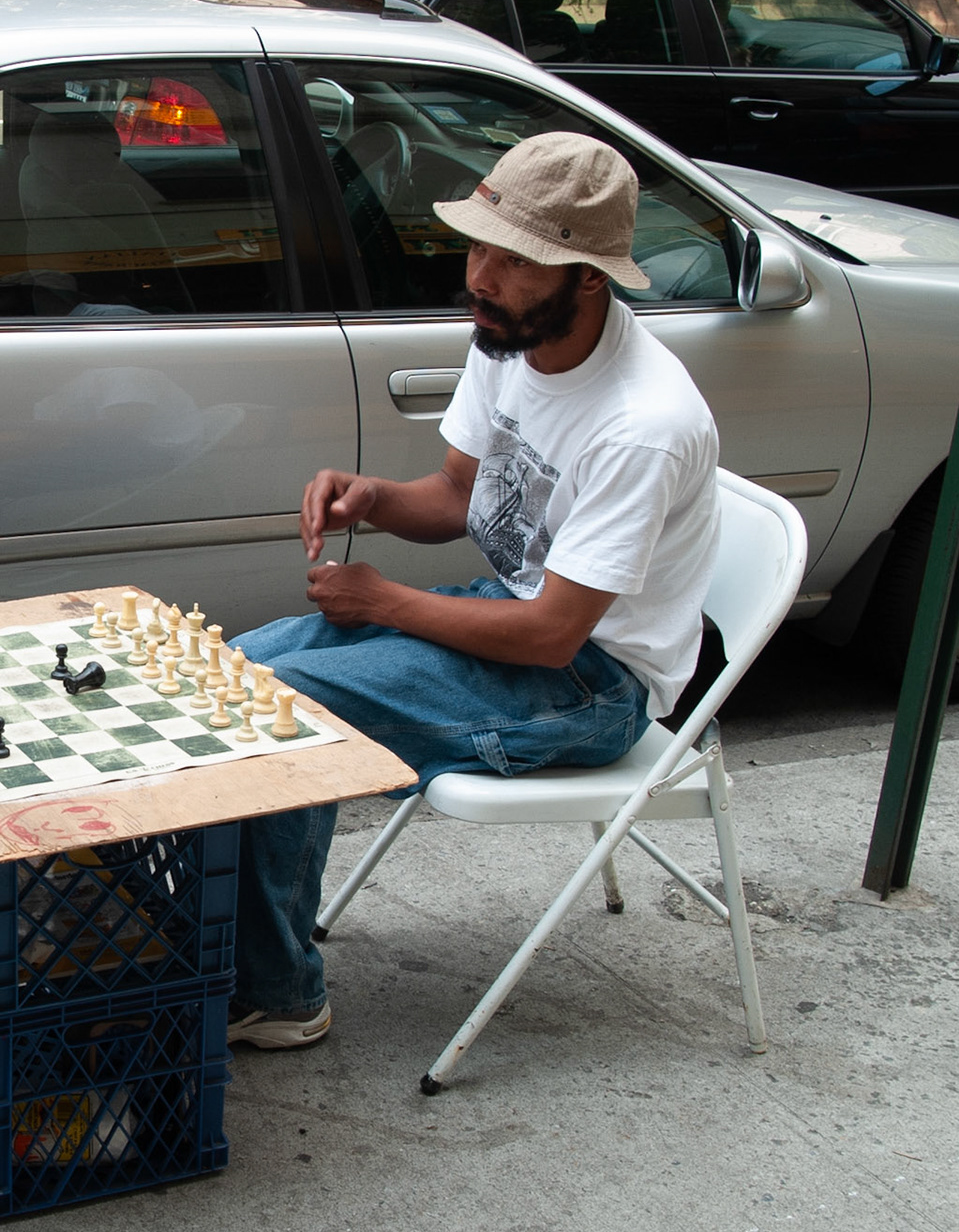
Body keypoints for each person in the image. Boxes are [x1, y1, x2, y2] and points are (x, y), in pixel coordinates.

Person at [224, 132, 720, 1050]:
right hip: (511, 620)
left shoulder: (642, 422)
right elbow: (456, 496)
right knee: (235, 672)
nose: (481, 275)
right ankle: (229, 949)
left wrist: (380, 602)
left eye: (514, 259)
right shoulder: (508, 337)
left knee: (282, 712)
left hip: (589, 686)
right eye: (478, 244)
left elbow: (553, 638)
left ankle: (276, 993)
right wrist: (370, 495)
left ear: (587, 279)